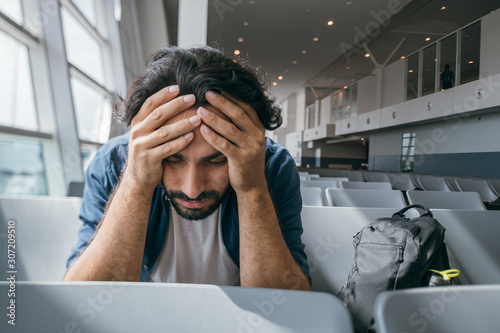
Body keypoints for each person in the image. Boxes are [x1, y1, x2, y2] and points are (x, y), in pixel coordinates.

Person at [64, 45, 311, 290]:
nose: (192, 190)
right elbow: (82, 301)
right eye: (173, 159)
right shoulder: (112, 164)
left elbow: (287, 306)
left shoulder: (272, 167)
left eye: (216, 161)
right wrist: (136, 180)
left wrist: (252, 187)